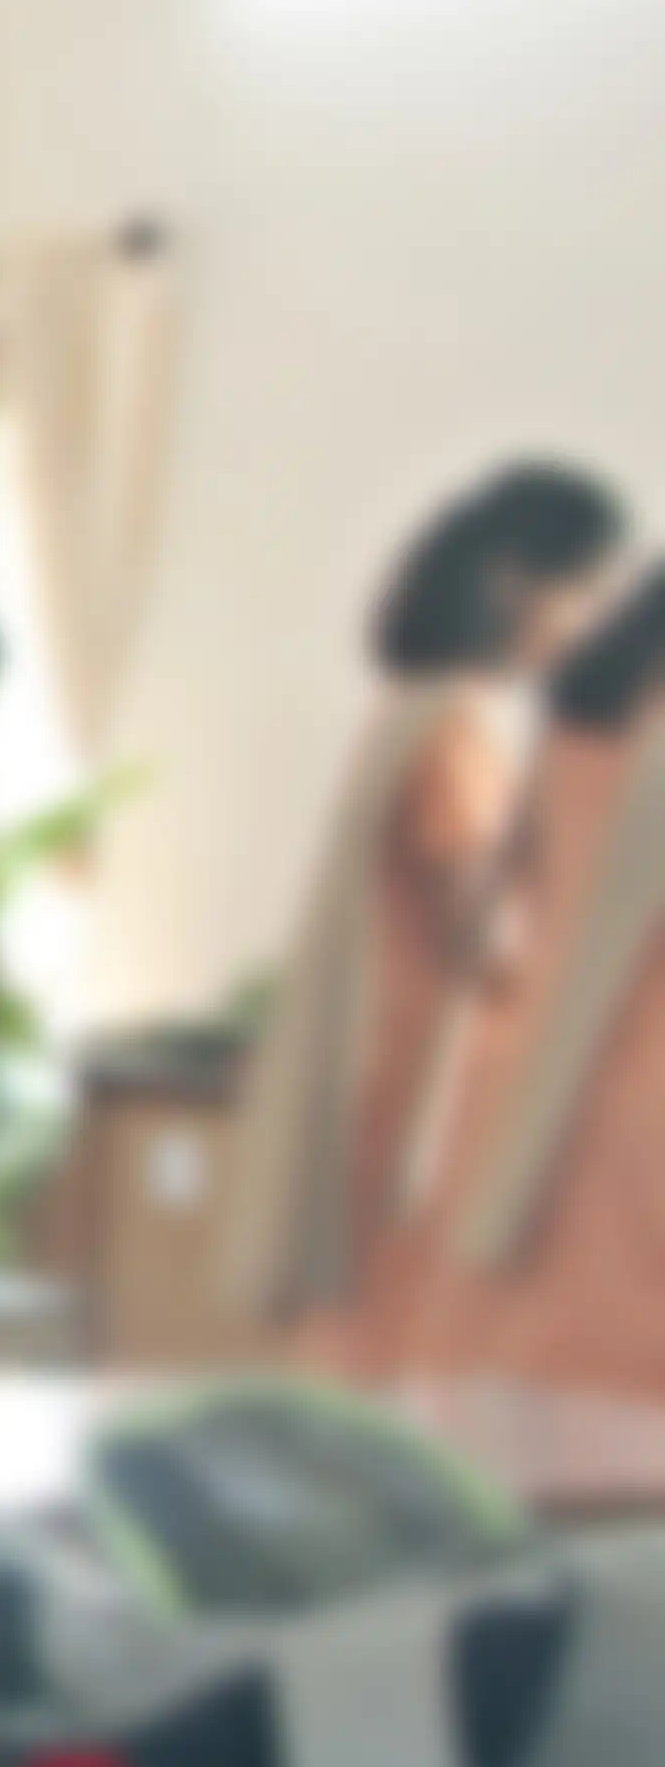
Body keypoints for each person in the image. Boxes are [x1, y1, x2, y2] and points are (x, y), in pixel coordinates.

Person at [218, 456, 627, 1345]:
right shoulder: (459, 725)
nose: (593, 626)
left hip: (388, 1074)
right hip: (416, 1088)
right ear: (520, 588)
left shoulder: (414, 706)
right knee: (394, 1347)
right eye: (586, 596)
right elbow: (482, 924)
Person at [417, 564, 665, 1388]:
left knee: (518, 1373)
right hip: (635, 1085)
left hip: (532, 1070)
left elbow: (504, 890)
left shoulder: (575, 713)